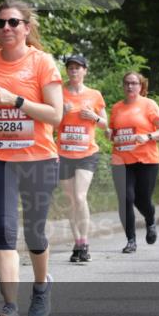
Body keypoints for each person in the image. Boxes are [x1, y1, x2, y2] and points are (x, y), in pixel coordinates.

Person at [0, 0, 63, 316]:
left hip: (38, 157)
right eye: (0, 23)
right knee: (5, 232)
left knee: (35, 232)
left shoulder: (42, 63)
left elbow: (56, 115)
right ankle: (9, 308)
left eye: (13, 22)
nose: (6, 28)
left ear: (26, 27)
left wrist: (17, 101)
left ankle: (41, 285)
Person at [109, 72, 159, 253]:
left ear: (141, 86)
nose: (130, 86)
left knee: (142, 199)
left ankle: (150, 220)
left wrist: (148, 136)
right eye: (127, 83)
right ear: (123, 85)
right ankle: (131, 240)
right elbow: (113, 133)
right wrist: (109, 133)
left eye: (134, 83)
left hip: (146, 159)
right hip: (121, 160)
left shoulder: (149, 105)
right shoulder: (116, 108)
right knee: (126, 198)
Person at [57, 54, 107, 263]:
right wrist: (61, 112)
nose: (74, 71)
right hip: (64, 153)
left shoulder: (94, 95)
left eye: (78, 68)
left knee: (79, 196)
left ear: (85, 70)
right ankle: (77, 243)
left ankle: (85, 243)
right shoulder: (58, 93)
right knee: (70, 200)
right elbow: (49, 123)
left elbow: (105, 124)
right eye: (70, 68)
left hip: (87, 153)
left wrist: (94, 117)